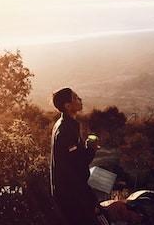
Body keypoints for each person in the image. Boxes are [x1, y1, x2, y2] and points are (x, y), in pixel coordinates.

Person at [50, 87, 99, 225]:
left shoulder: (65, 124)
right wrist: (91, 148)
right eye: (76, 98)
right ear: (67, 106)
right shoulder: (65, 129)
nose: (80, 99)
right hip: (71, 193)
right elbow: (79, 162)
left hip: (70, 190)